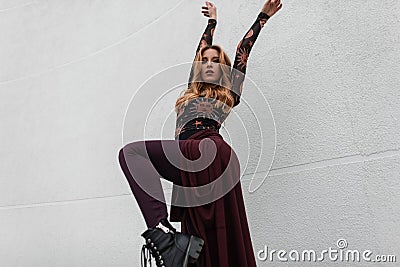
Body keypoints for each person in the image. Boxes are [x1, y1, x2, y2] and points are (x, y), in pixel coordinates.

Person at [118, 1, 282, 266]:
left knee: (132, 153)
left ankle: (162, 237)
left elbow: (243, 50)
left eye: (216, 61)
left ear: (224, 70)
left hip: (208, 151)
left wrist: (262, 17)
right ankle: (170, 241)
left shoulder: (229, 93)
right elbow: (200, 51)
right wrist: (211, 23)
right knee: (195, 240)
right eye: (204, 60)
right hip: (188, 160)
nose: (208, 63)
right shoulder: (190, 92)